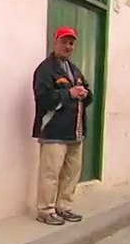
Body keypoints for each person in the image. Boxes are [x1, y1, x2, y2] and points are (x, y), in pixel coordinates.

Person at [32, 26, 93, 226]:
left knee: (71, 173)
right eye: (64, 41)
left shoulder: (74, 70)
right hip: (54, 132)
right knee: (50, 173)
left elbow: (87, 96)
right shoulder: (45, 69)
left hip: (75, 132)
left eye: (71, 43)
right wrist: (69, 94)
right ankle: (46, 209)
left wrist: (85, 94)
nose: (68, 46)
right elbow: (43, 99)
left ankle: (63, 206)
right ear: (55, 41)